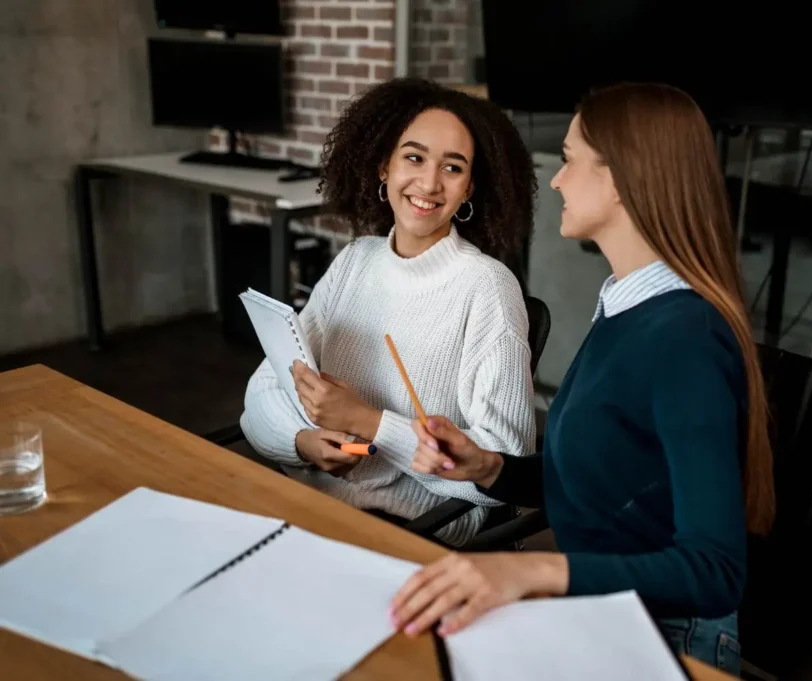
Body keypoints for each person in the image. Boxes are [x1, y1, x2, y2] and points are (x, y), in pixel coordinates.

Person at [388, 82, 775, 674]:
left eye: (568, 160)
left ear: (620, 179)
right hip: (603, 609)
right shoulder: (625, 303)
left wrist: (533, 568)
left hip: (671, 639)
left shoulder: (685, 340)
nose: (557, 180)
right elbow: (604, 483)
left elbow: (715, 572)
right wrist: (488, 468)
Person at [239, 78, 538, 546]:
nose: (429, 183)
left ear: (470, 188)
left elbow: (503, 464)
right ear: (384, 166)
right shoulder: (355, 261)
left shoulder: (487, 288)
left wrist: (369, 422)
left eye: (453, 167)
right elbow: (260, 395)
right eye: (414, 157)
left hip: (409, 529)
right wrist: (302, 442)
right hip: (304, 500)